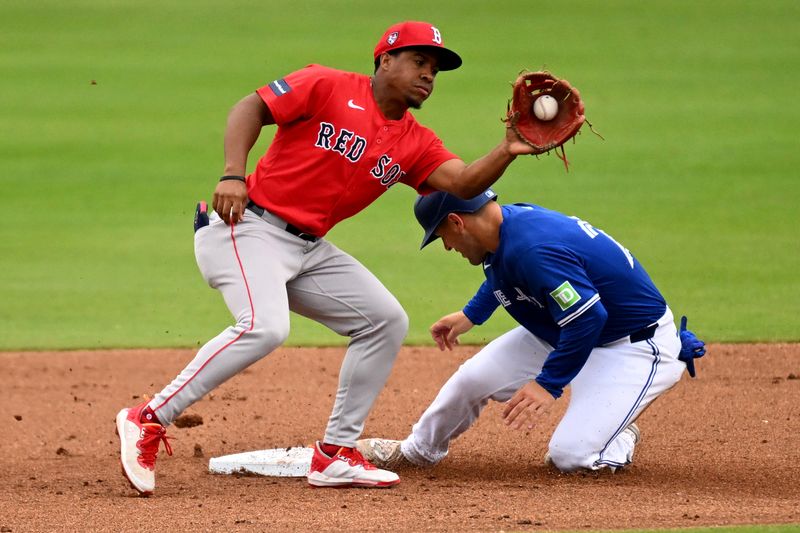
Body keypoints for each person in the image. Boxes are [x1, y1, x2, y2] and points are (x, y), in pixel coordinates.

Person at [115, 21, 541, 495]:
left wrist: (508, 149)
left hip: (307, 248)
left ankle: (335, 454)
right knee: (264, 326)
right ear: (385, 60)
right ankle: (149, 417)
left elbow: (462, 183)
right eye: (420, 62)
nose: (429, 76)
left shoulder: (415, 140)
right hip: (246, 225)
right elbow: (251, 106)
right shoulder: (327, 84)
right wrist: (233, 173)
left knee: (385, 320)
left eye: (435, 70)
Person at [357, 189, 706, 473]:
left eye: (442, 236)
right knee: (471, 380)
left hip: (629, 345)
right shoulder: (506, 225)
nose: (448, 246)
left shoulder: (535, 249)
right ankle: (419, 451)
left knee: (571, 458)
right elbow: (504, 272)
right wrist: (470, 315)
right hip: (565, 329)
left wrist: (547, 384)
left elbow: (588, 318)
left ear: (456, 221)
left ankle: (618, 433)